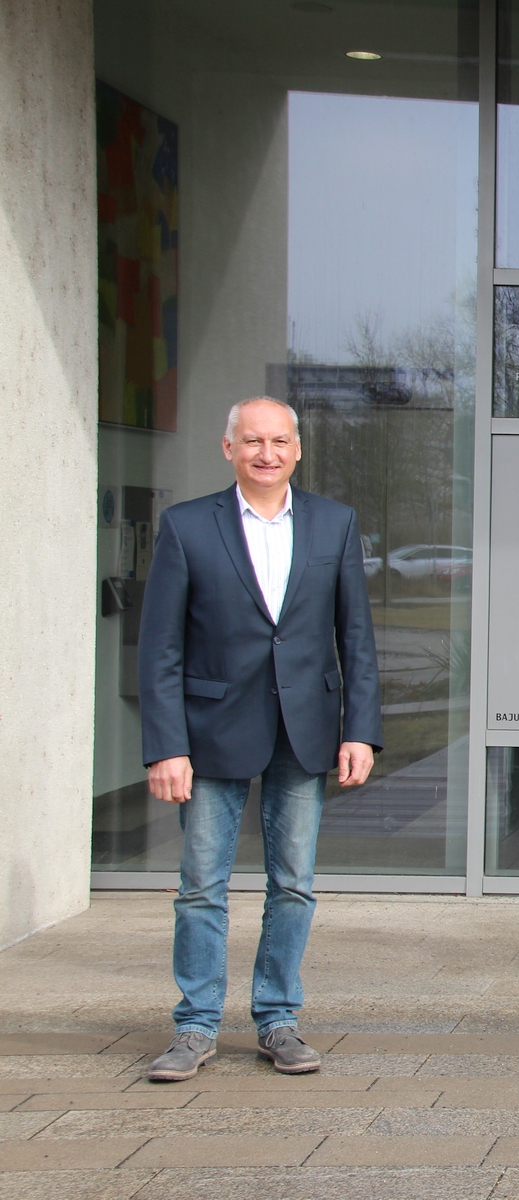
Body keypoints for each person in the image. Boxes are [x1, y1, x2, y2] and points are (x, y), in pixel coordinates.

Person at [137, 397, 382, 1082]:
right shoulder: (187, 528)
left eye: (279, 441)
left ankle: (277, 1020)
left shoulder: (334, 524)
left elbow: (355, 638)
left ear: (297, 450)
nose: (266, 453)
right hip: (210, 732)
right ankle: (194, 1028)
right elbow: (159, 648)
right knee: (200, 886)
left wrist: (360, 730)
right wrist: (166, 745)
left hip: (302, 732)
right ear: (229, 449)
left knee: (294, 884)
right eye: (252, 441)